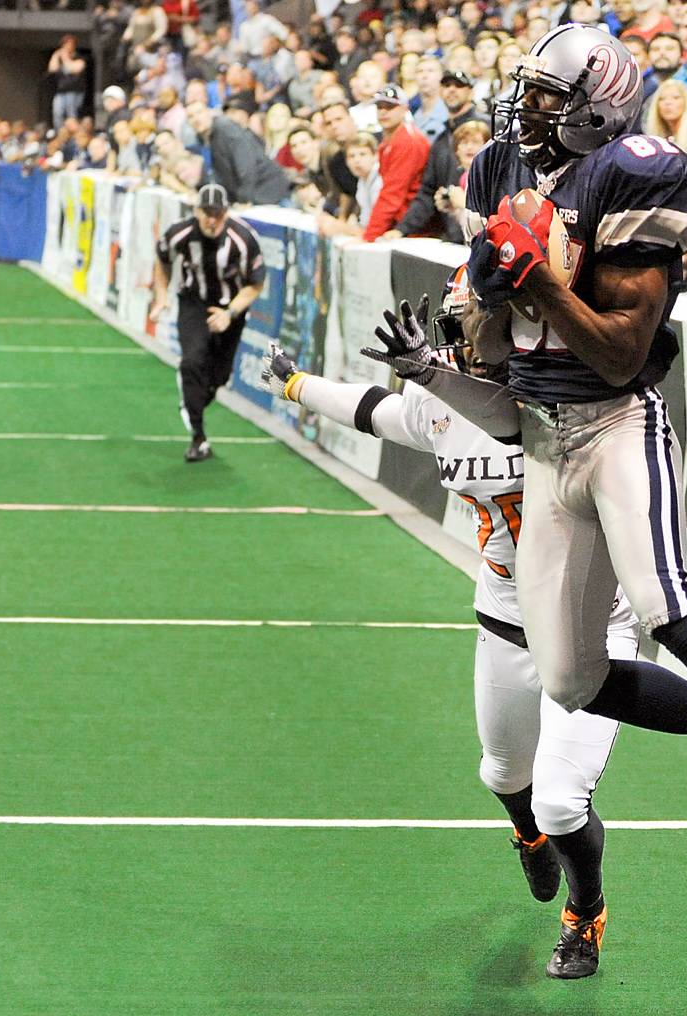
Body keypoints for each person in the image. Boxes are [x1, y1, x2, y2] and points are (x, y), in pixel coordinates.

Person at [367, 24, 687, 916]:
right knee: (570, 679)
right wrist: (451, 343)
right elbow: (494, 356)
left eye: (551, 99)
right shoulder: (499, 172)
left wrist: (540, 282)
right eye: (531, 93)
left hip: (617, 425)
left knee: (667, 604)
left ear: (596, 109)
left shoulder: (640, 174)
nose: (530, 113)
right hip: (544, 439)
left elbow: (621, 353)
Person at [259, 274, 630, 979]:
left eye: (477, 318)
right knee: (503, 772)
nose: (465, 332)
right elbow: (379, 412)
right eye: (461, 320)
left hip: (587, 622)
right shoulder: (439, 396)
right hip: (504, 619)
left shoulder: (563, 389)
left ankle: (584, 914)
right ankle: (525, 835)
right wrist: (297, 383)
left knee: (560, 798)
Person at [148, 184, 267, 462]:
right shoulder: (180, 232)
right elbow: (162, 259)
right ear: (196, 211)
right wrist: (162, 295)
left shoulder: (243, 237)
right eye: (206, 213)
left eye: (218, 213)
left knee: (219, 377)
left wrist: (230, 313)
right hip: (194, 303)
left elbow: (256, 283)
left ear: (226, 213)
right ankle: (198, 436)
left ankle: (192, 402)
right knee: (192, 362)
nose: (212, 220)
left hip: (229, 307)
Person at [381, 69, 488, 242]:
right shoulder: (440, 140)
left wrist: (466, 204)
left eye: (459, 85)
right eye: (446, 85)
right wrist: (402, 229)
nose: (452, 90)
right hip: (455, 237)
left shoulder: (492, 128)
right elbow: (427, 192)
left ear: (471, 91)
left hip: (487, 240)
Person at [361, 85, 429, 242]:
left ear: (404, 109)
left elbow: (392, 194)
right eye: (379, 107)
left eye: (390, 107)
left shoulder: (407, 141)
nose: (383, 112)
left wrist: (369, 236)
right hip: (400, 225)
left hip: (411, 230)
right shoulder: (389, 141)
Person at [190, 103, 291, 206]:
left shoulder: (226, 128)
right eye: (190, 116)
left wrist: (244, 199)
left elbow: (246, 164)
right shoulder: (205, 138)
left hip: (267, 188)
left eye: (199, 113)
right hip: (253, 191)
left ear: (208, 112)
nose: (196, 119)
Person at [48, 35, 87, 127]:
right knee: (57, 114)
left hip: (74, 91)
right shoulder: (60, 58)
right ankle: (60, 133)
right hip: (60, 91)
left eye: (69, 44)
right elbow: (52, 69)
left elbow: (73, 68)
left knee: (72, 114)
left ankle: (73, 135)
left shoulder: (79, 57)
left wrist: (65, 57)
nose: (67, 47)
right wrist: (56, 55)